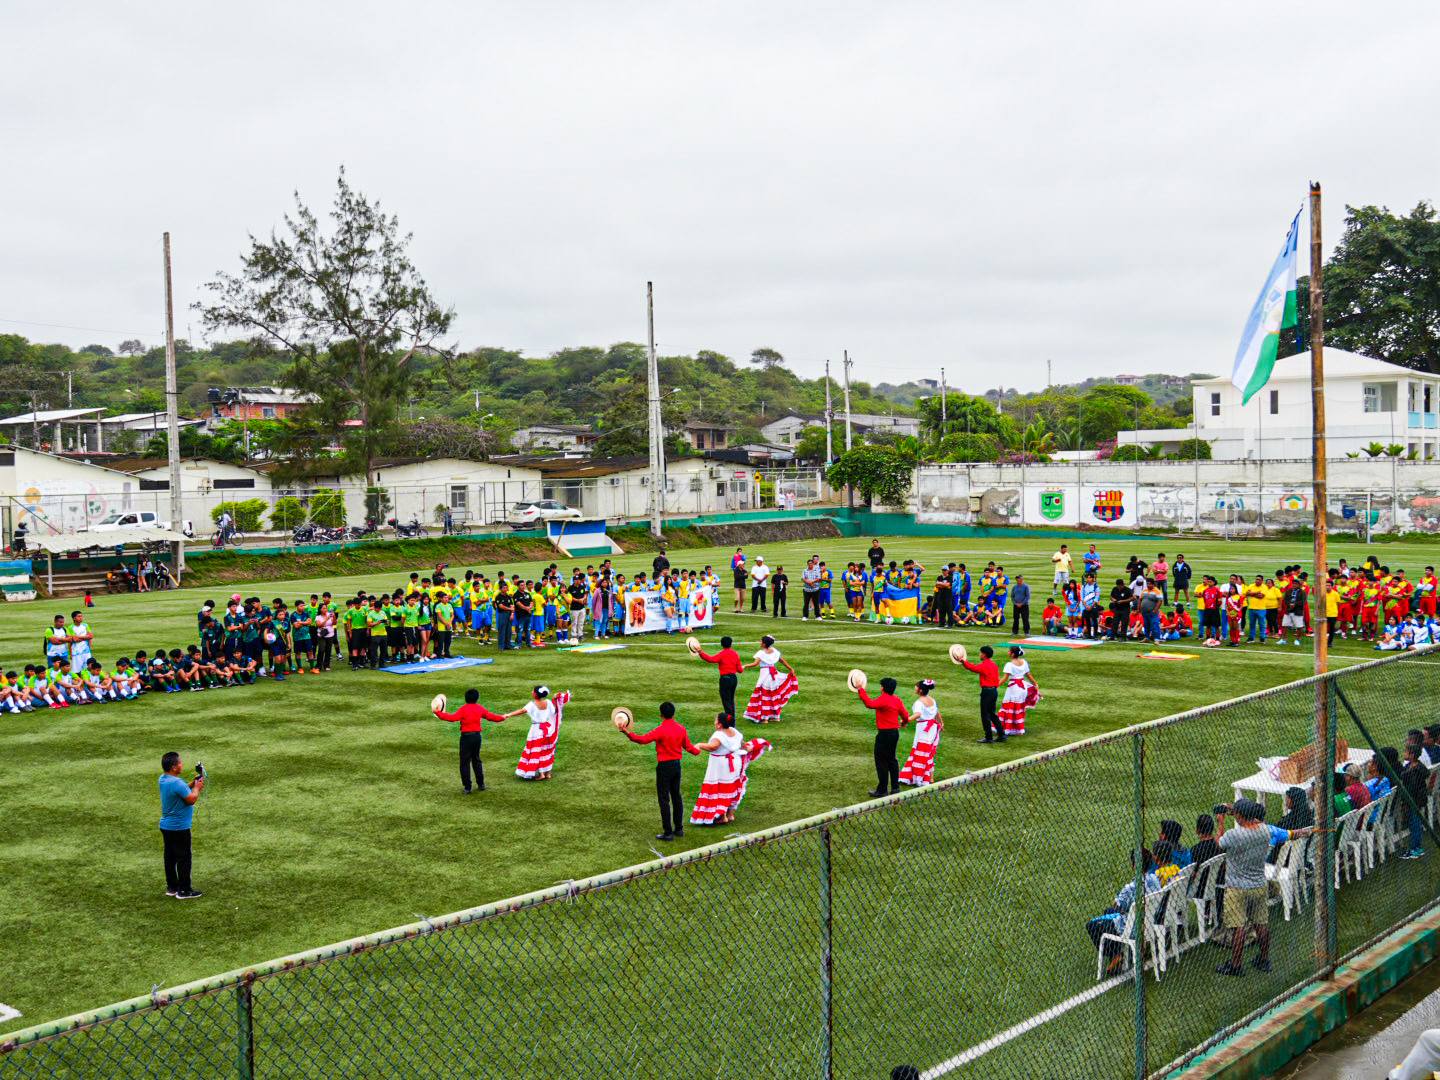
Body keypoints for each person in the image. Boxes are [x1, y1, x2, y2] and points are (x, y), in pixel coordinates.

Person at [1215, 799, 1310, 976]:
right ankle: (1264, 960)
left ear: (1240, 816)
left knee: (1238, 927)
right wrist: (1304, 832)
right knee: (1261, 924)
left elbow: (1219, 843)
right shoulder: (1267, 831)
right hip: (1259, 884)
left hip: (1236, 887)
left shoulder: (1233, 835)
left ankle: (1236, 966)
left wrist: (1220, 822)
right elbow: (1289, 834)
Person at [622, 701, 700, 841]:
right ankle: (679, 829)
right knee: (676, 796)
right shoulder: (681, 729)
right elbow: (689, 747)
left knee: (664, 799)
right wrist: (697, 750)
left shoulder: (660, 730)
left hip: (664, 767)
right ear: (673, 714)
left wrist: (627, 732)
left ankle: (668, 833)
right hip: (676, 766)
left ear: (661, 714)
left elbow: (642, 740)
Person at [690, 713, 771, 826]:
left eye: (715, 720)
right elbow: (743, 745)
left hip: (721, 765)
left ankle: (722, 816)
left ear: (719, 725)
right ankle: (730, 814)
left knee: (720, 789)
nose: (714, 722)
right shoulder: (734, 731)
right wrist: (752, 747)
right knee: (733, 786)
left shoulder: (718, 735)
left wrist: (699, 745)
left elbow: (713, 746)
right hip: (735, 763)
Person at [434, 688, 508, 794]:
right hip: (477, 738)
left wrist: (438, 713)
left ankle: (467, 787)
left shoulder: (463, 709)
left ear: (466, 698)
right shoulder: (479, 708)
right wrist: (502, 717)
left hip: (466, 738)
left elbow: (452, 718)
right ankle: (481, 784)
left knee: (464, 762)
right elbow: (491, 717)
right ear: (477, 698)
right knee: (476, 760)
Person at [158, 751, 205, 899]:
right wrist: (197, 788)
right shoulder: (176, 783)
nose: (181, 764)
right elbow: (191, 799)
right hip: (179, 827)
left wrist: (192, 783)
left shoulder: (163, 779)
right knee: (184, 858)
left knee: (170, 857)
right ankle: (184, 890)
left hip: (166, 826)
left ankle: (172, 887)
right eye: (180, 763)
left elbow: (180, 790)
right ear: (174, 767)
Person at [855, 675, 905, 797]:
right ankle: (895, 788)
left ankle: (882, 790)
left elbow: (869, 704)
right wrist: (904, 722)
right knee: (892, 760)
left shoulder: (884, 699)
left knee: (881, 761)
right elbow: (905, 714)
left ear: (883, 688)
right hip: (894, 733)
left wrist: (860, 689)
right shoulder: (897, 699)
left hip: (884, 735)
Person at [514, 686, 570, 781]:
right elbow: (554, 711)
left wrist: (508, 715)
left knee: (537, 751)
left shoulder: (532, 704)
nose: (532, 692)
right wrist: (555, 700)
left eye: (533, 691)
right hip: (548, 730)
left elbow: (522, 711)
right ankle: (548, 773)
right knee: (547, 750)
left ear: (535, 694)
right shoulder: (548, 702)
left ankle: (541, 774)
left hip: (536, 730)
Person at [742, 635, 797, 723]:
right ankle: (776, 717)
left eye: (761, 641)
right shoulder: (775, 651)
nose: (760, 642)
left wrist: (745, 666)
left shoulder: (761, 653)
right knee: (773, 696)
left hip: (765, 675)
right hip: (774, 675)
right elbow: (782, 660)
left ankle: (765, 718)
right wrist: (790, 668)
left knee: (764, 696)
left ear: (764, 644)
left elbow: (755, 663)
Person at [898, 679, 942, 786]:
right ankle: (930, 778)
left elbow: (918, 714)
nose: (915, 687)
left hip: (923, 729)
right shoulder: (932, 700)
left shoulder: (918, 702)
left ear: (920, 690)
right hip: (932, 729)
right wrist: (941, 723)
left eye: (916, 686)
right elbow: (937, 713)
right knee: (929, 752)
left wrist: (905, 720)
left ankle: (919, 779)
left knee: (920, 752)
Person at [960, 645, 1004, 743]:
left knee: (985, 715)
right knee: (992, 714)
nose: (979, 654)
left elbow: (973, 668)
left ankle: (988, 737)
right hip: (994, 691)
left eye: (980, 653)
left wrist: (963, 661)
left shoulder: (984, 665)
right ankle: (1001, 735)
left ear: (984, 654)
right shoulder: (993, 665)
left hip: (987, 692)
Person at [696, 635, 743, 720]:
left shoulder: (722, 654)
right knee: (731, 700)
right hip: (734, 679)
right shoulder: (735, 654)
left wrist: (700, 652)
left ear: (722, 644)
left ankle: (729, 721)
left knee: (726, 701)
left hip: (725, 679)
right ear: (731, 644)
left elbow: (711, 659)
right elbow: (740, 670)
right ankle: (732, 720)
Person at [998, 646, 1037, 736]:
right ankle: (1019, 729)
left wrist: (996, 685)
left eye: (1009, 651)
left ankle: (1009, 728)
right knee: (1019, 708)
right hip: (1023, 688)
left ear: (1012, 654)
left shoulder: (1009, 664)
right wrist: (1035, 683)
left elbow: (1005, 678)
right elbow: (1028, 674)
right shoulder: (1024, 662)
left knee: (1010, 707)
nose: (1008, 652)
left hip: (1014, 688)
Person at [1400, 745, 1429, 860]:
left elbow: (1412, 786)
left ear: (1412, 755)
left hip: (1415, 801)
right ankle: (1416, 848)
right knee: (1414, 824)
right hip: (1416, 800)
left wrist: (1406, 801)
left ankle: (1415, 849)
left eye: (1406, 752)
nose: (1404, 753)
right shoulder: (1412, 766)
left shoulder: (1416, 769)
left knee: (1415, 824)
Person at [731, 548, 747, 613]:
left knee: (742, 598)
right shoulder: (736, 570)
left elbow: (746, 576)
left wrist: (742, 576)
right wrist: (743, 576)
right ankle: (735, 607)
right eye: (742, 564)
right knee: (737, 598)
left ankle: (740, 608)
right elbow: (737, 577)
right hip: (737, 586)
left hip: (743, 586)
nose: (743, 565)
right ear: (739, 565)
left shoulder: (744, 570)